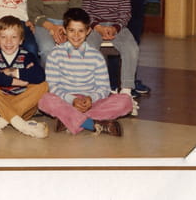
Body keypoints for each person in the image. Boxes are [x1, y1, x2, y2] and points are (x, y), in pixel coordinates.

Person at [37, 8, 133, 136]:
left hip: (91, 102)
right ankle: (92, 123)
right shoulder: (55, 54)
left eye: (81, 31)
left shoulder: (96, 56)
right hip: (66, 100)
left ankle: (70, 119)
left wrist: (91, 98)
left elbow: (104, 88)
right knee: (44, 100)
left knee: (126, 101)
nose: (76, 35)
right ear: (64, 30)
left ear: (88, 31)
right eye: (71, 30)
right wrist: (72, 100)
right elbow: (53, 87)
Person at [0, 16, 49, 137]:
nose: (8, 42)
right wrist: (17, 81)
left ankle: (1, 121)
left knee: (43, 86)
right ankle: (20, 124)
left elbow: (39, 76)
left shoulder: (27, 55)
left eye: (14, 37)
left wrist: (14, 72)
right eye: (3, 37)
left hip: (23, 106)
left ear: (21, 40)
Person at [82, 0, 140, 98]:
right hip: (95, 27)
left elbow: (125, 12)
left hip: (118, 26)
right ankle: (97, 87)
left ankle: (126, 90)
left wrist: (115, 28)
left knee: (131, 48)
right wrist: (98, 28)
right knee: (89, 48)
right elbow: (86, 12)